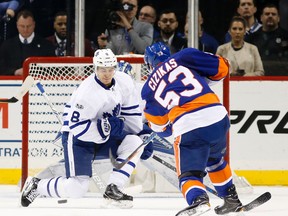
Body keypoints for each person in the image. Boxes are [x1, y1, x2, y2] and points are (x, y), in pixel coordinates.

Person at [21, 49, 153, 208]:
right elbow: (77, 126)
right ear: (95, 68)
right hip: (77, 137)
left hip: (100, 134)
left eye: (110, 69)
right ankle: (37, 186)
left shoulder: (123, 81)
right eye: (103, 70)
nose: (107, 74)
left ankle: (114, 188)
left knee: (134, 142)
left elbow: (130, 111)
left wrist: (140, 134)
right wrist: (103, 130)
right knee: (77, 188)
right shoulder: (87, 93)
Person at [141, 42, 243, 215]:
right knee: (215, 160)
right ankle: (231, 199)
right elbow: (223, 68)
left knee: (189, 175)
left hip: (188, 126)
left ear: (149, 64)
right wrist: (204, 78)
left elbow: (160, 128)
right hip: (218, 116)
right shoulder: (184, 56)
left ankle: (198, 199)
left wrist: (155, 125)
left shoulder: (148, 89)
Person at [0, 9, 55, 76]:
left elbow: (52, 69)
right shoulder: (7, 46)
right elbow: (2, 68)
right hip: (13, 84)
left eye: (29, 26)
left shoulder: (46, 45)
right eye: (22, 26)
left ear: (34, 24)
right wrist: (15, 72)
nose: (25, 30)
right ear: (17, 25)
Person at [247, 3, 288, 76]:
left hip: (283, 80)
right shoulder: (251, 38)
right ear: (261, 18)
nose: (270, 16)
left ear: (278, 18)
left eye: (273, 14)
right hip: (258, 79)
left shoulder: (286, 36)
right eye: (267, 14)